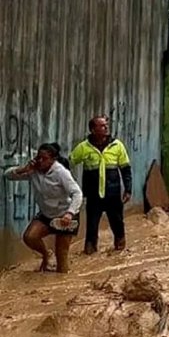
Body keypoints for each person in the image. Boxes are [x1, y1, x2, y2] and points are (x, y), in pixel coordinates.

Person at [4, 143, 83, 273]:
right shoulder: (33, 171)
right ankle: (46, 254)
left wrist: (69, 213)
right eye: (38, 157)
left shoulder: (61, 172)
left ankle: (60, 288)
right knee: (29, 237)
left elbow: (77, 193)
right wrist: (24, 169)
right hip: (46, 215)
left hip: (65, 216)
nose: (40, 161)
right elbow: (8, 175)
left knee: (62, 260)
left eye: (44, 158)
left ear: (53, 160)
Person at [70, 116, 132, 255]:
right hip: (93, 195)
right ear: (93, 129)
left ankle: (120, 248)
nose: (106, 128)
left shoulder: (117, 145)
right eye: (102, 126)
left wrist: (128, 189)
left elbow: (125, 169)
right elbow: (70, 162)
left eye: (106, 125)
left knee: (117, 223)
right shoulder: (84, 147)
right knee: (91, 226)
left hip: (113, 193)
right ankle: (90, 251)